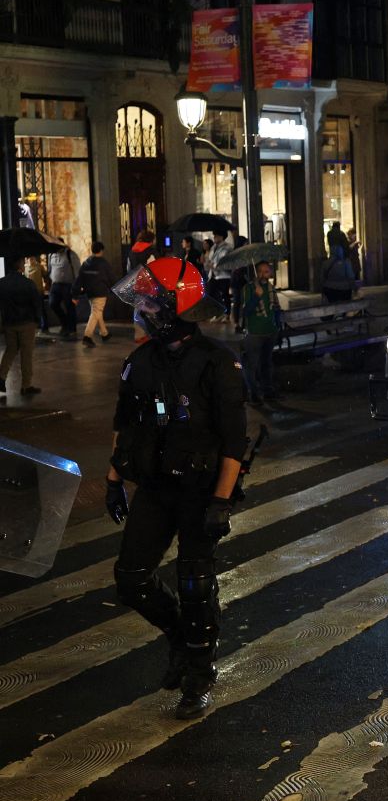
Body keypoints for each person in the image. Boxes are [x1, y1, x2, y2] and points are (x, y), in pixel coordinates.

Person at [104, 257, 247, 718]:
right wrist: (113, 479)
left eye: (151, 300)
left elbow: (234, 441)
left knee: (195, 583)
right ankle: (181, 640)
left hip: (202, 491)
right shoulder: (141, 361)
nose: (143, 307)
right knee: (130, 579)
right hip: (155, 487)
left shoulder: (217, 363)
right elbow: (125, 423)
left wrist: (222, 502)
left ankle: (198, 675)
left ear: (174, 308)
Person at [0, 259, 45, 397]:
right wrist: (38, 320)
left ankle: (1, 377)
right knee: (26, 353)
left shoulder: (2, 283)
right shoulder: (28, 283)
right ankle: (26, 385)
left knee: (11, 349)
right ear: (20, 266)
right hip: (26, 322)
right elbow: (36, 303)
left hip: (9, 322)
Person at [240, 261, 281, 405]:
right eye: (261, 271)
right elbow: (245, 311)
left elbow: (276, 309)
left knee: (266, 363)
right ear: (256, 273)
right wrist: (256, 296)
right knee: (252, 365)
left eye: (267, 271)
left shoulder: (271, 288)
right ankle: (254, 394)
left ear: (270, 273)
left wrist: (278, 327)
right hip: (255, 333)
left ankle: (268, 390)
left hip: (270, 331)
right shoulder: (249, 288)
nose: (264, 275)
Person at [77, 241, 117, 346]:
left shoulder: (86, 262)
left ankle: (104, 333)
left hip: (89, 292)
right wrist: (116, 287)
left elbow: (80, 278)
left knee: (96, 312)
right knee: (96, 312)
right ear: (101, 250)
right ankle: (87, 336)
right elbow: (111, 277)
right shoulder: (103, 263)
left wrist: (75, 293)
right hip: (100, 291)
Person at [46, 240, 80, 338]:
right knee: (52, 303)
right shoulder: (51, 255)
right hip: (55, 285)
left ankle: (72, 328)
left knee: (70, 307)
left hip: (68, 285)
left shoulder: (71, 254)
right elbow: (50, 269)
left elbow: (78, 270)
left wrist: (77, 287)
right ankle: (65, 323)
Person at [205, 227, 235, 313]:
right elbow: (210, 258)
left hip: (223, 275)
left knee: (225, 295)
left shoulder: (227, 247)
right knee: (211, 293)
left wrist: (214, 265)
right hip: (213, 274)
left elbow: (224, 260)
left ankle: (226, 314)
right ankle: (218, 312)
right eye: (214, 236)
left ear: (222, 237)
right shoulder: (213, 247)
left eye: (216, 236)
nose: (214, 237)